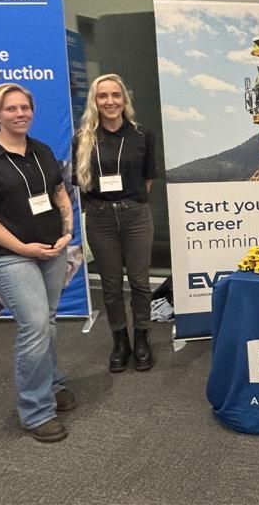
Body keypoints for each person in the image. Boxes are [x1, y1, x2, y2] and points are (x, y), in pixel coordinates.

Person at [0, 83, 76, 442]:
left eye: (25, 107)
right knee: (35, 325)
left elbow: (58, 195)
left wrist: (67, 232)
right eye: (11, 109)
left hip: (52, 250)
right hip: (10, 256)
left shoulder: (41, 150)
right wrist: (23, 248)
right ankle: (36, 410)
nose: (20, 114)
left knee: (48, 320)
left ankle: (51, 383)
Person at [73, 74, 156, 373]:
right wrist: (107, 208)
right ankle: (120, 341)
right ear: (94, 101)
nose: (110, 101)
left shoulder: (142, 135)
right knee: (110, 285)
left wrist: (128, 203)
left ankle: (142, 337)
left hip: (135, 215)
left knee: (140, 282)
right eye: (102, 96)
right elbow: (81, 184)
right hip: (100, 218)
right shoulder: (83, 137)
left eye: (115, 95)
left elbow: (147, 179)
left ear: (124, 99)